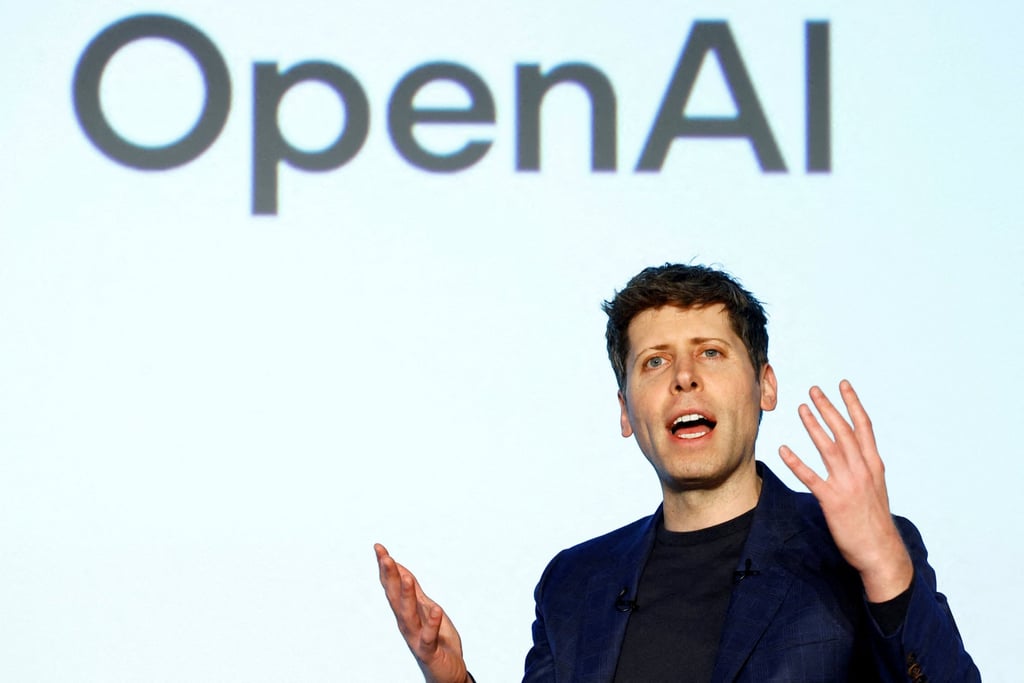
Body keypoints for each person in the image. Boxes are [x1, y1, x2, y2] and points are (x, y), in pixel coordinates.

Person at [376, 263, 979, 682]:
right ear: (625, 412)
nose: (683, 377)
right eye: (655, 361)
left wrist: (884, 566)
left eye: (711, 352)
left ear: (765, 385)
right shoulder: (574, 582)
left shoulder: (861, 553)